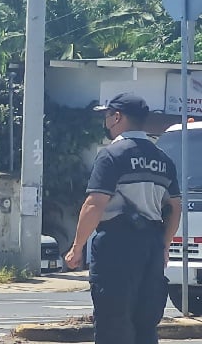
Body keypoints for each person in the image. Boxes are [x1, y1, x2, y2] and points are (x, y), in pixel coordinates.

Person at [65, 92, 182, 344]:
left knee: (113, 323)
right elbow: (174, 206)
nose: (106, 122)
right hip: (151, 246)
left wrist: (77, 247)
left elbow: (95, 203)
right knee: (146, 324)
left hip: (117, 247)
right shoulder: (163, 159)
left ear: (117, 117)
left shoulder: (112, 155)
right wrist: (164, 244)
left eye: (107, 116)